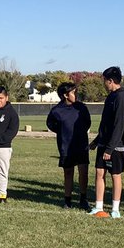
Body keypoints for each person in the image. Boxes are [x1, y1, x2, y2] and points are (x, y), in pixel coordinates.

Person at [89, 66, 124, 218]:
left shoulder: (122, 96)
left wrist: (110, 148)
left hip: (116, 145)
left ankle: (115, 209)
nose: (104, 84)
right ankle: (98, 206)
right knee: (99, 172)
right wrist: (96, 141)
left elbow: (119, 124)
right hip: (103, 143)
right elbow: (105, 123)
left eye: (104, 81)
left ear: (111, 81)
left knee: (115, 175)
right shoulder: (111, 96)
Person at [46, 81, 92, 209]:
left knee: (83, 172)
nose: (76, 94)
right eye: (73, 92)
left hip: (81, 144)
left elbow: (88, 122)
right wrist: (63, 132)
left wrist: (79, 133)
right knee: (68, 173)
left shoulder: (81, 107)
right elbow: (50, 124)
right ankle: (67, 200)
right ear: (65, 95)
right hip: (66, 146)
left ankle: (83, 199)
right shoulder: (56, 111)